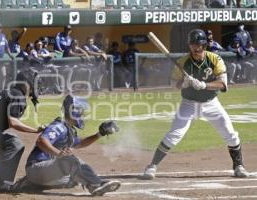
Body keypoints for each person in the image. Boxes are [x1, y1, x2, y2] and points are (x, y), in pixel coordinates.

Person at [142, 29, 249, 180]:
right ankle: (152, 166)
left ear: (204, 44)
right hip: (189, 104)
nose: (195, 47)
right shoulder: (182, 62)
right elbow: (174, 84)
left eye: (198, 44)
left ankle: (238, 166)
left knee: (230, 134)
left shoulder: (215, 59)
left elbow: (223, 84)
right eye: (192, 44)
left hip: (211, 103)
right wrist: (184, 83)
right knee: (174, 135)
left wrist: (204, 85)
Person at [13, 94, 121, 196]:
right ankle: (94, 185)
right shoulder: (59, 126)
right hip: (37, 167)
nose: (82, 114)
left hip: (44, 172)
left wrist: (99, 134)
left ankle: (30, 183)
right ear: (73, 111)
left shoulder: (69, 130)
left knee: (72, 179)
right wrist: (58, 153)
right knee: (70, 160)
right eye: (80, 111)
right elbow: (41, 141)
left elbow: (81, 143)